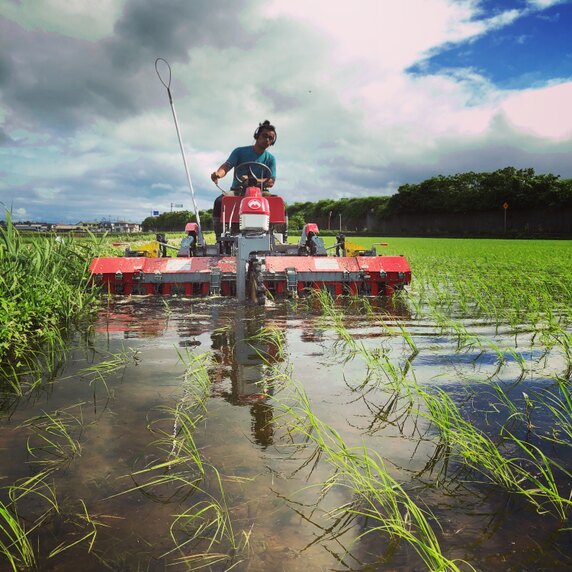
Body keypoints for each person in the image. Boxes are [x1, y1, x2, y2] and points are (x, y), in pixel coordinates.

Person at [211, 120, 277, 239]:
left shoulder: (270, 159)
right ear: (257, 136)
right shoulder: (240, 152)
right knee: (219, 202)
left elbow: (271, 181)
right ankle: (219, 237)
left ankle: (277, 235)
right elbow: (227, 166)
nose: (267, 140)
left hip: (260, 192)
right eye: (264, 136)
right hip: (238, 190)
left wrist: (254, 180)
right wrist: (218, 174)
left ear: (272, 142)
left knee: (278, 203)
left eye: (271, 138)